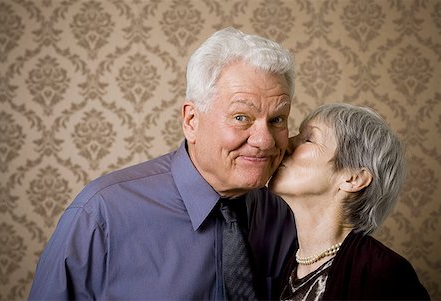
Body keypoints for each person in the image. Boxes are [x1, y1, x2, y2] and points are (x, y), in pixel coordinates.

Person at [28, 27, 297, 300]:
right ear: (191, 120)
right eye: (242, 117)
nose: (265, 141)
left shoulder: (284, 213)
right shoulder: (101, 215)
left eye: (277, 120)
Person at [269, 103, 430, 300]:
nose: (285, 144)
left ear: (353, 178)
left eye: (308, 139)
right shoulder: (280, 262)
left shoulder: (385, 274)